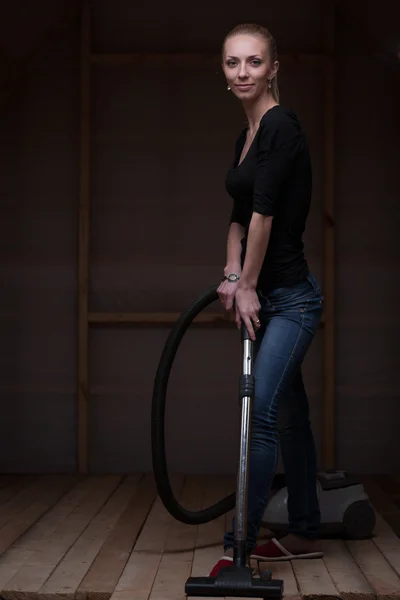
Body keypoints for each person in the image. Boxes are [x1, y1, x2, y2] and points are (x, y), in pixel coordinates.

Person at [211, 23, 325, 575]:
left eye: (254, 63)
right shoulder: (247, 137)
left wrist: (248, 285)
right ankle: (305, 528)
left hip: (292, 301)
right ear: (224, 69)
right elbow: (236, 219)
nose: (242, 73)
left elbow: (264, 214)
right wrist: (232, 272)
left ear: (273, 68)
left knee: (260, 419)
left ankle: (241, 541)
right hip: (262, 294)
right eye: (233, 63)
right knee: (292, 420)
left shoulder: (281, 125)